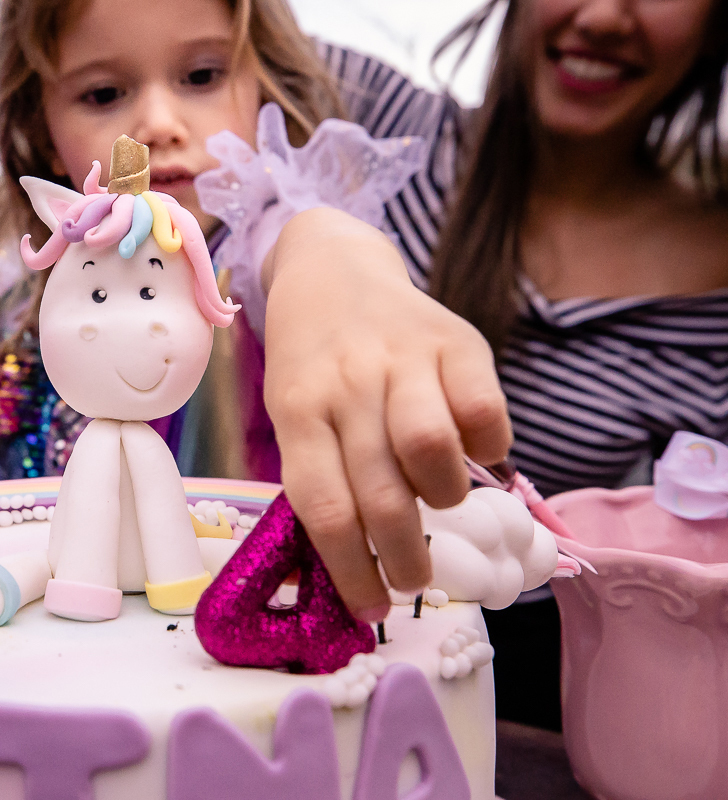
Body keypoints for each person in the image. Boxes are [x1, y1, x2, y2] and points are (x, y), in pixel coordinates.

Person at [225, 0, 726, 728]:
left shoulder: (715, 294)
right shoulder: (373, 120)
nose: (604, 15)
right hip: (296, 644)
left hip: (534, 699)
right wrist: (317, 244)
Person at [0, 0, 508, 563]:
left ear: (263, 90)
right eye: (104, 93)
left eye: (202, 76)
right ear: (42, 131)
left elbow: (309, 247)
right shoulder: (27, 287)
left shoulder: (254, 247)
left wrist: (332, 260)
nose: (159, 124)